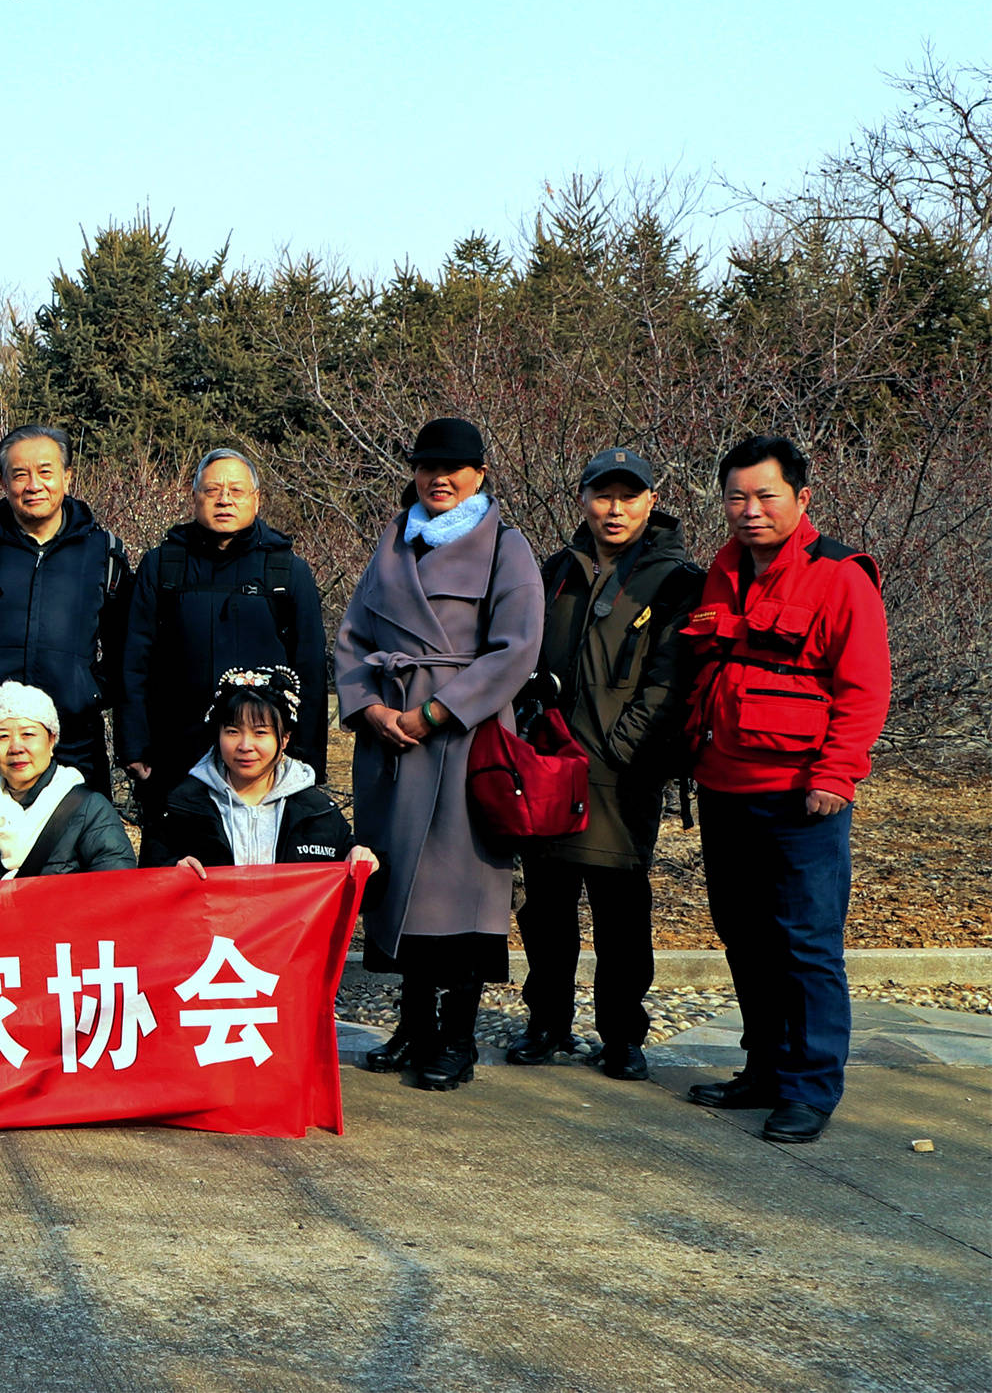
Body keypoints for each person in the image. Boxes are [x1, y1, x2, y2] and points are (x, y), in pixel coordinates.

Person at [678, 435, 890, 1145]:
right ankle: (764, 1070)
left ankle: (809, 1089)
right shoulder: (723, 570)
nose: (750, 510)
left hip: (803, 795)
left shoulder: (839, 578)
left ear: (802, 498)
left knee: (807, 944)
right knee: (746, 936)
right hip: (724, 784)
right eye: (736, 496)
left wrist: (837, 773)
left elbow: (864, 689)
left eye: (766, 495)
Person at [334, 418, 543, 1093]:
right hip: (391, 741)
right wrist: (369, 709)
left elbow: (516, 650)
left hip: (464, 737)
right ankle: (413, 1024)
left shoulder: (506, 547)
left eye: (454, 467)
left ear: (481, 473)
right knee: (401, 889)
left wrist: (435, 713)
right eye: (427, 466)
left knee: (463, 895)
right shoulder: (392, 538)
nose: (439, 478)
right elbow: (352, 636)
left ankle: (457, 1038)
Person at [510, 448, 702, 1081]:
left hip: (625, 774)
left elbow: (669, 682)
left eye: (628, 496)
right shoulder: (556, 571)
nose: (614, 509)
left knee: (621, 910)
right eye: (602, 495)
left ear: (653, 500)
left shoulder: (677, 580)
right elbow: (523, 658)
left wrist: (622, 751)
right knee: (545, 904)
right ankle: (548, 1022)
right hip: (550, 767)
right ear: (583, 500)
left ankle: (621, 1033)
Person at [0, 424, 131, 805]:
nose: (33, 485)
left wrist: (89, 693)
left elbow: (126, 641)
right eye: (20, 474)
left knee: (76, 852)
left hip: (72, 738)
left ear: (67, 476)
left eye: (45, 472)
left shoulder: (103, 551)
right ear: (3, 480)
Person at [120, 447, 328, 797]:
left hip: (263, 758)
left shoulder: (287, 570)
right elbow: (134, 660)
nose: (224, 500)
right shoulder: (162, 566)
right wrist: (134, 745)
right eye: (212, 490)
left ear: (256, 499)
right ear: (195, 497)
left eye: (236, 491)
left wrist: (305, 757)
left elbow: (310, 667)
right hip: (174, 753)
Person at [139, 668, 377, 875]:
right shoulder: (182, 807)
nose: (245, 746)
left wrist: (364, 861)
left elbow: (361, 888)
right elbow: (148, 878)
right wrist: (172, 871)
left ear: (284, 739)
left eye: (260, 733)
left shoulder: (315, 812)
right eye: (232, 731)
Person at [0, 682, 134, 884]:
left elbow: (116, 892)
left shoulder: (90, 810)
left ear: (51, 740)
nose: (16, 747)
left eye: (28, 734)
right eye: (2, 736)